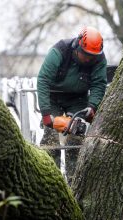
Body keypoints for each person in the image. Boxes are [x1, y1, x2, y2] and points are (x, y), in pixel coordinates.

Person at [37, 26, 107, 182]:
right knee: (51, 136)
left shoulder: (98, 58)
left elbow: (99, 84)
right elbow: (43, 80)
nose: (89, 59)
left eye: (92, 57)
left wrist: (92, 106)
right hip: (53, 97)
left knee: (76, 136)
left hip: (77, 100)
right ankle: (49, 180)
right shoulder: (60, 51)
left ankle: (74, 181)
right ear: (77, 46)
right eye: (86, 55)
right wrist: (46, 114)